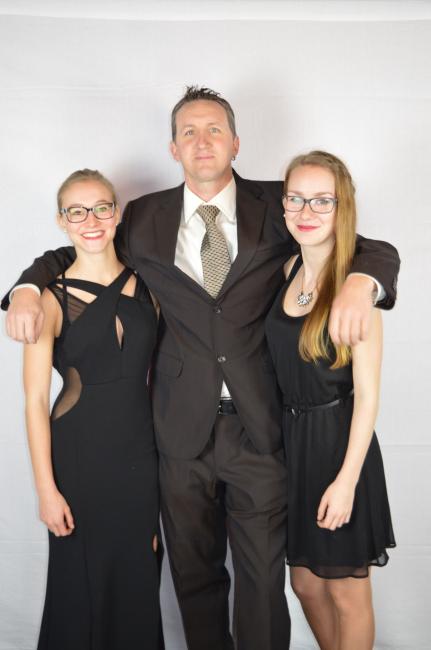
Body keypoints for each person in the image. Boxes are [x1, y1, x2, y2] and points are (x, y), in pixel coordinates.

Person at [2, 87, 400, 650]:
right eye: (189, 131)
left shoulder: (281, 206)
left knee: (262, 585)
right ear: (173, 148)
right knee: (195, 580)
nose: (202, 141)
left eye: (214, 129)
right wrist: (25, 286)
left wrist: (363, 281)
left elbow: (367, 244)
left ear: (236, 142)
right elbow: (79, 249)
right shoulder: (143, 217)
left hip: (259, 429)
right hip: (176, 432)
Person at [22, 169, 163, 650]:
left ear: (116, 213)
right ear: (61, 221)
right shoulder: (49, 297)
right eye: (77, 211)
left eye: (101, 208)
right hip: (79, 458)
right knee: (78, 583)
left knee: (139, 575)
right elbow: (34, 400)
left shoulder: (148, 285)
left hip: (140, 455)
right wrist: (46, 490)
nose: (91, 220)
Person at [265, 151, 396, 650]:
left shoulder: (356, 292)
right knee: (303, 583)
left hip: (339, 448)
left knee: (346, 592)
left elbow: (368, 398)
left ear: (342, 208)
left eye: (322, 200)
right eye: (296, 199)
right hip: (292, 448)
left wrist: (346, 482)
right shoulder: (286, 270)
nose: (307, 211)